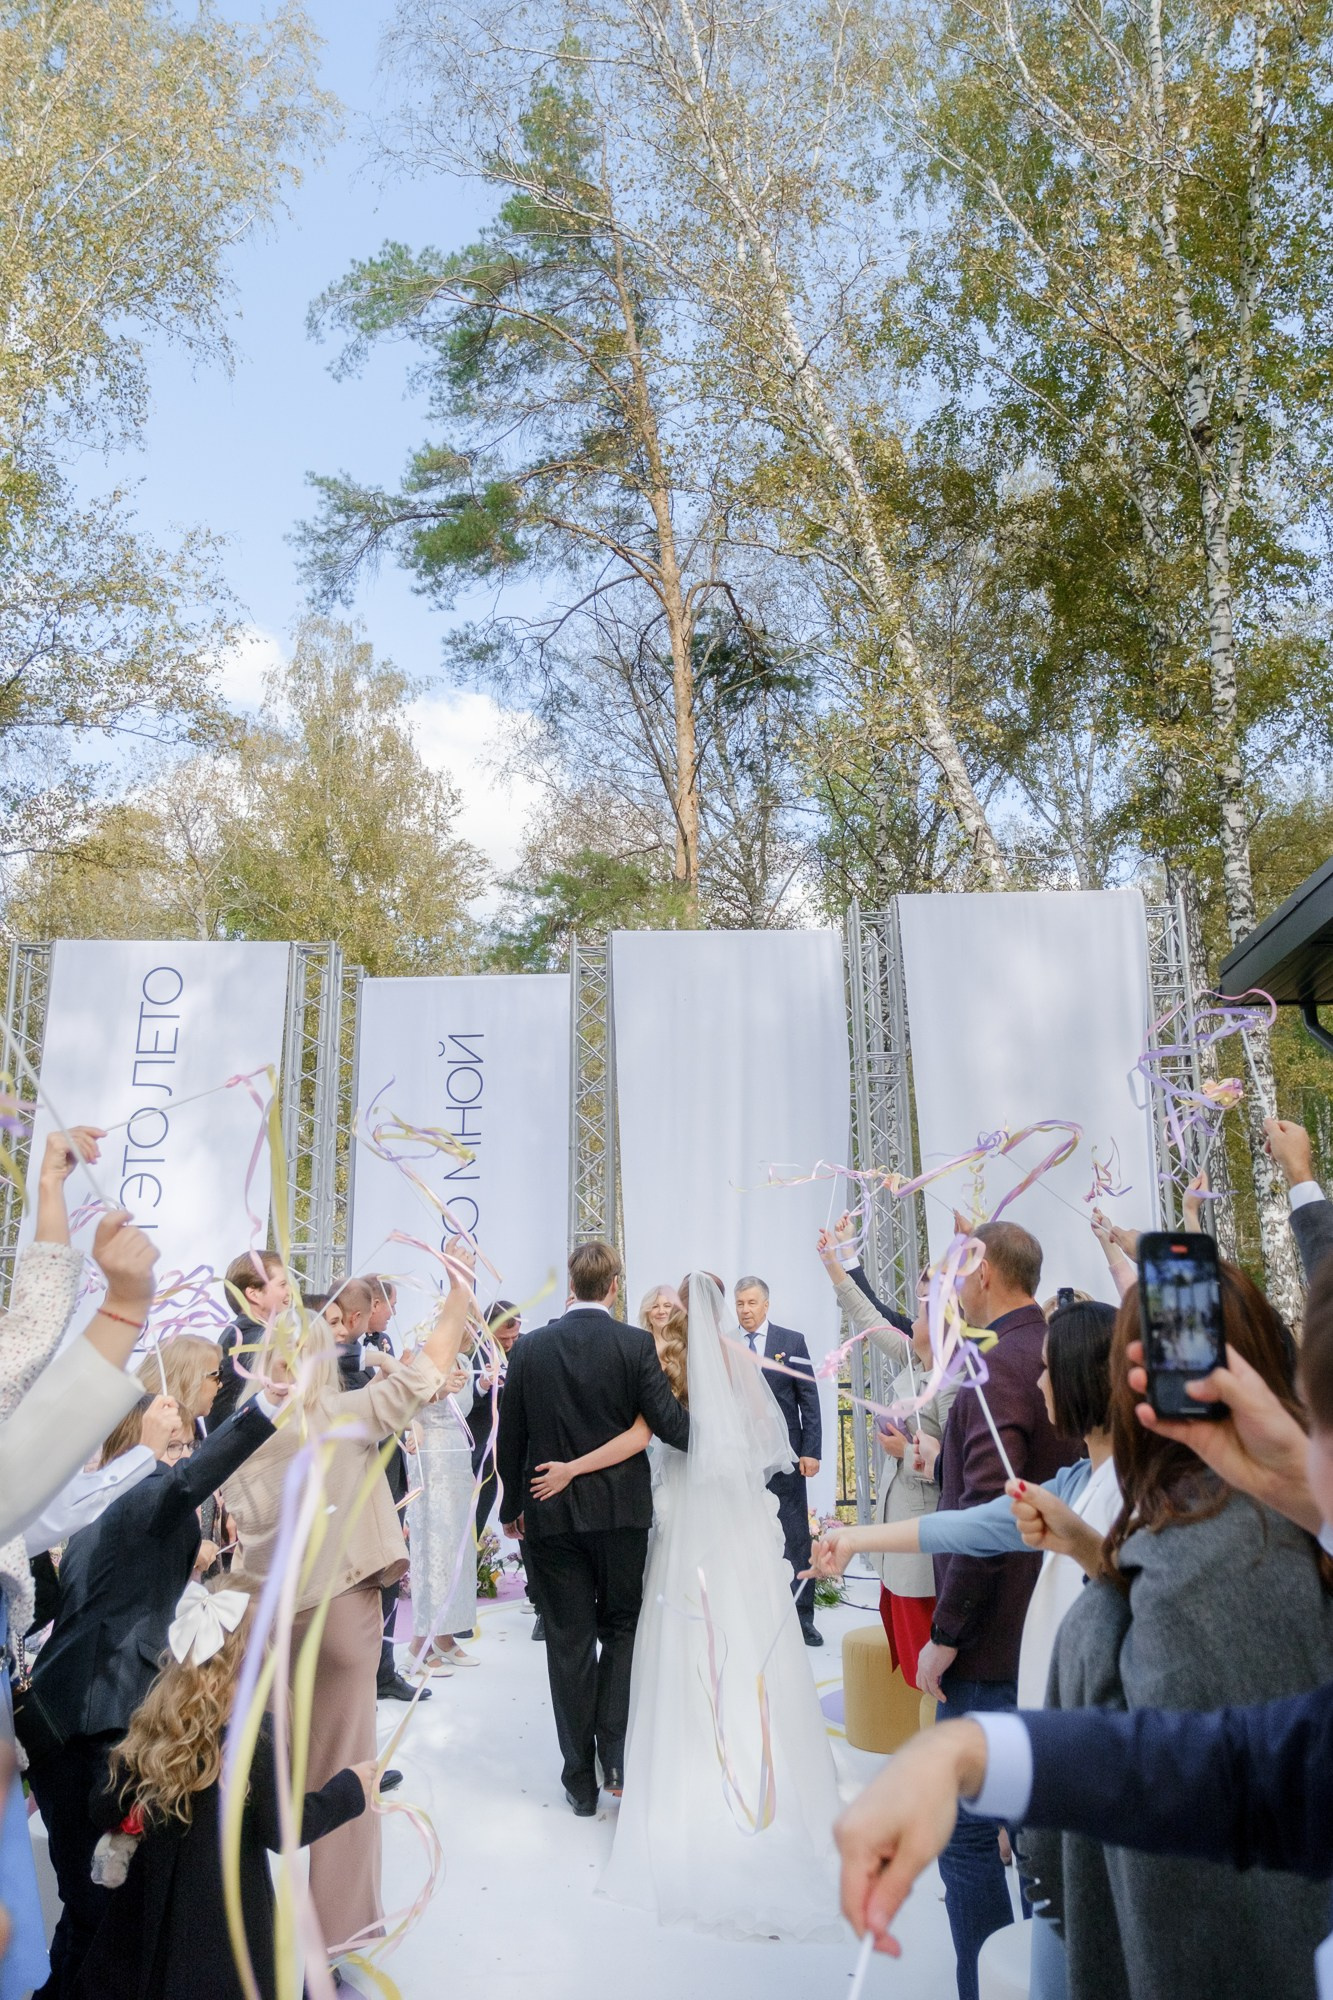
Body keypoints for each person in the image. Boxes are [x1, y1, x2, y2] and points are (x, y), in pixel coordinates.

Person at [840, 1262, 1333, 2000]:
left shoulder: (1220, 1545)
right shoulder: (1142, 1503)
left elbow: (1204, 1771)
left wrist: (984, 1753)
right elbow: (1246, 1763)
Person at [553, 1271, 839, 1940]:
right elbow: (762, 1440)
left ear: (682, 1310)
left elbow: (648, 1436)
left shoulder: (668, 1366)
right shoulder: (738, 1360)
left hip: (684, 1508)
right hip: (732, 1512)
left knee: (683, 1623)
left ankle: (680, 1769)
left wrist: (578, 1467)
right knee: (743, 1622)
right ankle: (764, 1767)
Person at [222, 1257, 472, 1971]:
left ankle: (243, 1926)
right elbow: (424, 1374)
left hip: (259, 1619)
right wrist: (458, 1298)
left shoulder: (239, 1433)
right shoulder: (338, 1415)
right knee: (343, 1776)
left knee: (257, 1780)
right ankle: (333, 1942)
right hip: (337, 1613)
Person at [21, 1372, 284, 1998]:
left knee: (89, 1899)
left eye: (184, 1443)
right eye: (173, 1441)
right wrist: (266, 1407)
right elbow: (188, 1482)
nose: (182, 1454)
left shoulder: (94, 1507)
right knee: (102, 1905)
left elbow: (57, 1601)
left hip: (63, 1714)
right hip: (101, 1717)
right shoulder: (141, 1493)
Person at [72, 1574, 376, 2000]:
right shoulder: (254, 1739)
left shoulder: (154, 1727)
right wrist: (350, 1789)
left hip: (151, 1923)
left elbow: (101, 1806)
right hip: (225, 1937)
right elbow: (282, 1830)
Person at [920, 1219, 1080, 2000]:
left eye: (957, 1271)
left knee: (967, 1835)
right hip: (1048, 1630)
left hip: (990, 1645)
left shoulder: (997, 1368)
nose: (949, 1288)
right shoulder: (1051, 1351)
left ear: (983, 1273)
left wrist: (945, 1634)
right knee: (1037, 1835)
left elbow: (990, 1517)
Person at [495, 1239, 690, 1814]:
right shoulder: (635, 1345)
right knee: (623, 1629)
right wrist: (724, 1437)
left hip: (549, 1514)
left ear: (572, 1284)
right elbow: (670, 1424)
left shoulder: (529, 1348)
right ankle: (616, 1757)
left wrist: (511, 1507)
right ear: (613, 1287)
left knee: (568, 1643)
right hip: (621, 1515)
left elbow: (511, 1436)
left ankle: (579, 1780)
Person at [817, 1220, 951, 1692]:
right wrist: (833, 1264)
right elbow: (870, 1319)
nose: (911, 1318)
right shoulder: (916, 1358)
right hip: (897, 1536)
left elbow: (962, 1465)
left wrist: (905, 1450)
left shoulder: (950, 1381)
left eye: (921, 1308)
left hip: (923, 1545)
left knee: (927, 1676)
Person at [734, 1275, 824, 1647]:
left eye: (752, 1303)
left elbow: (809, 1399)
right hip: (741, 1459)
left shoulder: (792, 1342)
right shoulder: (725, 1344)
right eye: (740, 1303)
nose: (745, 1310)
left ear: (766, 1305)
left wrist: (811, 1450)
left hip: (786, 1458)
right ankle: (754, 1616)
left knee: (795, 1536)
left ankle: (802, 1619)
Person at [408, 1354, 480, 1673]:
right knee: (433, 1547)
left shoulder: (463, 1358)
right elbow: (405, 1400)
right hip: (430, 1453)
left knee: (457, 1547)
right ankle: (418, 1643)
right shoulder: (422, 1354)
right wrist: (440, 1390)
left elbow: (464, 1409)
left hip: (458, 1454)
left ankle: (446, 1637)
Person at [206, 1251, 289, 1432]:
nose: (290, 1292)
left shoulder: (245, 1333)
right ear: (254, 1294)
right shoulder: (246, 1338)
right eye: (283, 1284)